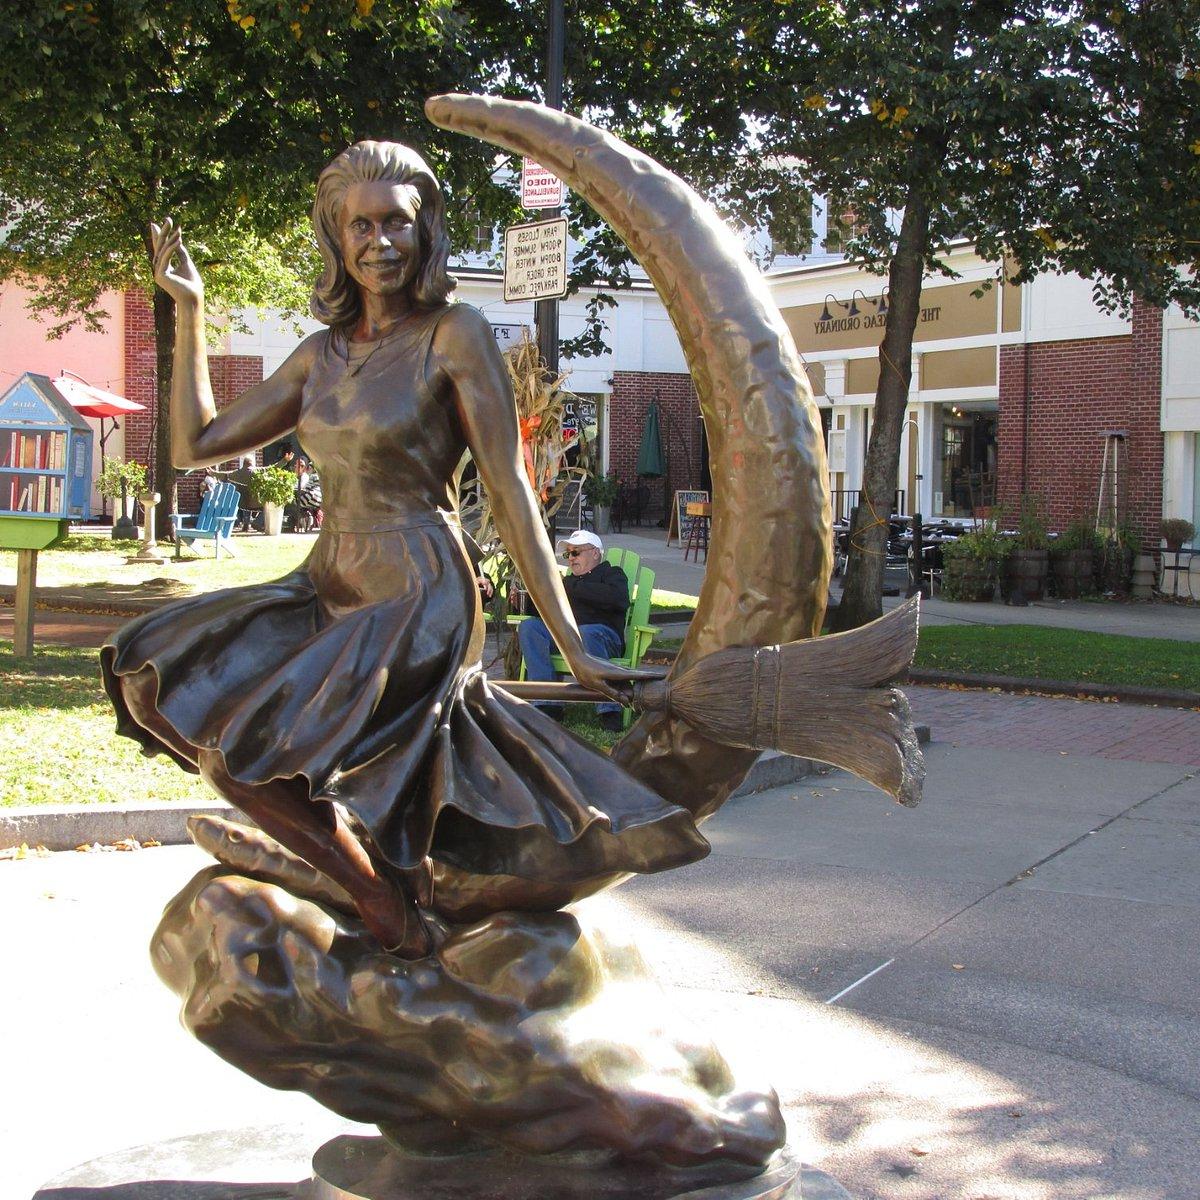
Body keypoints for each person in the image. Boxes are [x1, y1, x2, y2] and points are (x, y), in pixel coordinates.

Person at [101, 141, 705, 961]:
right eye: (360, 225)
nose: (379, 241)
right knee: (158, 677)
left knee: (254, 755)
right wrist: (189, 311)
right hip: (328, 579)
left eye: (397, 223)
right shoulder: (321, 355)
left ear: (426, 235)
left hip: (417, 589)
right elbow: (194, 444)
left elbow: (511, 491)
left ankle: (385, 906)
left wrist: (569, 642)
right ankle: (374, 885)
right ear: (336, 239)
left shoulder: (453, 334)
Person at [517, 530, 628, 732]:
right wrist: (521, 603)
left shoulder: (613, 574)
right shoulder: (567, 583)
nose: (570, 559)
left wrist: (573, 589)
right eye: (568, 554)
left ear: (595, 553)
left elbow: (617, 599)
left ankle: (609, 709)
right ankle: (547, 702)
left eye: (575, 553)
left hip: (603, 638)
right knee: (529, 627)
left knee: (587, 632)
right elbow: (545, 608)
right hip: (566, 637)